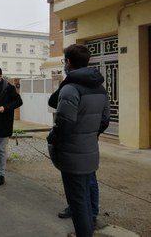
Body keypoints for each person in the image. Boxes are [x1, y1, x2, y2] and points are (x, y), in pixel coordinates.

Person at [47, 44, 110, 237]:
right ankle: (91, 222)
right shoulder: (100, 88)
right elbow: (105, 120)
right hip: (90, 151)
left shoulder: (71, 88)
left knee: (77, 202)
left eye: (64, 61)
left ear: (68, 62)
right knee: (88, 188)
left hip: (72, 155)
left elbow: (63, 124)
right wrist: (90, 135)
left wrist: (53, 140)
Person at [49, 80, 101, 226]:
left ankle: (91, 214)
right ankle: (77, 209)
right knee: (79, 181)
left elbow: (63, 123)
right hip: (82, 142)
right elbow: (53, 101)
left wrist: (53, 137)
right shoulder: (70, 87)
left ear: (69, 63)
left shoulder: (95, 87)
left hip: (81, 142)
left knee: (88, 179)